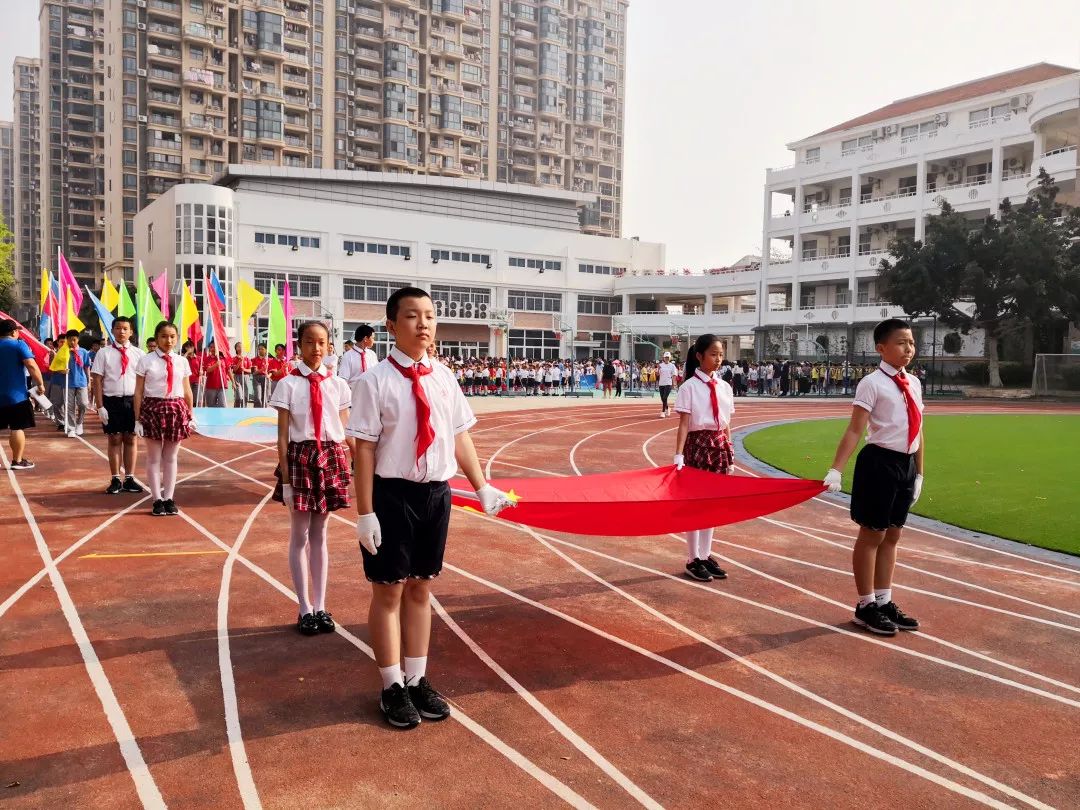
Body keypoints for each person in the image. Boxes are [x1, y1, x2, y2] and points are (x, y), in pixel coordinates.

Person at [348, 286, 514, 730]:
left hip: (435, 495)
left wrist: (481, 487)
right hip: (391, 495)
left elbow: (459, 436)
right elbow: (363, 451)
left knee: (421, 588)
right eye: (411, 316)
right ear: (390, 326)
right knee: (388, 591)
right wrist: (364, 512)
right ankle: (391, 685)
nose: (423, 324)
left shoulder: (444, 377)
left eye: (429, 316)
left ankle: (417, 678)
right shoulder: (373, 381)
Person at [824, 319, 924, 637]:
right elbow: (855, 428)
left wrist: (919, 471)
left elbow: (919, 429)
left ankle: (884, 600)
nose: (908, 348)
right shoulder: (872, 383)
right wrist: (836, 468)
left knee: (892, 536)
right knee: (872, 536)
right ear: (881, 348)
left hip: (905, 465)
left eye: (911, 342)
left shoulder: (915, 383)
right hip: (880, 463)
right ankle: (866, 605)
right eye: (900, 343)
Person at [270, 321, 355, 636]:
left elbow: (347, 432)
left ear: (329, 345)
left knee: (321, 534)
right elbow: (281, 437)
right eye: (309, 342)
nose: (316, 349)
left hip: (330, 457)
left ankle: (320, 606)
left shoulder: (339, 385)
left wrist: (360, 459)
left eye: (321, 342)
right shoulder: (288, 384)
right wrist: (288, 483)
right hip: (301, 458)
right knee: (300, 534)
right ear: (299, 345)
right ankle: (304, 607)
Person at [673, 334, 734, 583]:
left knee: (713, 505)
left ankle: (706, 555)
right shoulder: (689, 387)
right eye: (713, 354)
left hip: (719, 446)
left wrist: (729, 452)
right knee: (695, 504)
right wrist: (678, 454)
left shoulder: (725, 387)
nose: (718, 359)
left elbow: (727, 423)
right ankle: (692, 558)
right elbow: (684, 424)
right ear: (699, 356)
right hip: (698, 446)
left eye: (720, 354)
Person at [133, 321, 195, 517]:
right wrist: (137, 420)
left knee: (171, 457)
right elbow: (138, 392)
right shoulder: (146, 360)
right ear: (156, 337)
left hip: (176, 408)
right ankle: (156, 499)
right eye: (163, 336)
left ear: (177, 338)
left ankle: (169, 497)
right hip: (153, 407)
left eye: (172, 337)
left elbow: (187, 390)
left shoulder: (181, 361)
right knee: (153, 457)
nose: (168, 341)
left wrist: (191, 414)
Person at [90, 316, 145, 494]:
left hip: (132, 400)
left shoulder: (139, 354)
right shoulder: (104, 353)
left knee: (131, 438)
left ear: (131, 332)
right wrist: (100, 406)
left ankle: (129, 478)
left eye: (125, 328)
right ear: (112, 331)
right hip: (111, 401)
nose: (121, 331)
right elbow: (97, 379)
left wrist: (142, 406)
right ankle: (115, 478)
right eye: (118, 328)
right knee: (114, 439)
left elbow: (144, 382)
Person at [0, 319, 45, 470]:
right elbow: (31, 365)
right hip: (16, 396)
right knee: (17, 427)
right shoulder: (19, 344)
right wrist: (40, 384)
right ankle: (17, 460)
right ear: (13, 332)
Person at [60, 330, 92, 437]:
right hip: (68, 382)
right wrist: (62, 370)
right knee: (69, 406)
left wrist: (88, 381)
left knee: (83, 404)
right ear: (67, 340)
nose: (72, 342)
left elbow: (87, 366)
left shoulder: (83, 352)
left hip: (81, 382)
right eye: (70, 340)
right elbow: (56, 366)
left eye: (74, 339)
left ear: (78, 339)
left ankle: (79, 423)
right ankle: (71, 428)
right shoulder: (63, 351)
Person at [657, 352, 677, 417]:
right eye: (666, 357)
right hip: (661, 383)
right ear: (664, 358)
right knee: (662, 398)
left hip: (668, 383)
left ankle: (663, 412)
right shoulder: (660, 365)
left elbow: (674, 375)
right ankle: (668, 408)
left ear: (669, 358)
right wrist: (658, 369)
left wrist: (674, 383)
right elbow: (657, 374)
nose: (667, 359)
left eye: (668, 357)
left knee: (665, 397)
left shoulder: (672, 366)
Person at [231, 342, 250, 408]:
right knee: (239, 397)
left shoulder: (247, 359)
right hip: (237, 378)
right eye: (238, 347)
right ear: (236, 348)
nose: (240, 348)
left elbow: (250, 370)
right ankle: (236, 410)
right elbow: (234, 370)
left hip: (245, 377)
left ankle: (244, 410)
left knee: (245, 397)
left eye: (241, 346)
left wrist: (244, 369)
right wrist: (239, 362)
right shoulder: (233, 359)